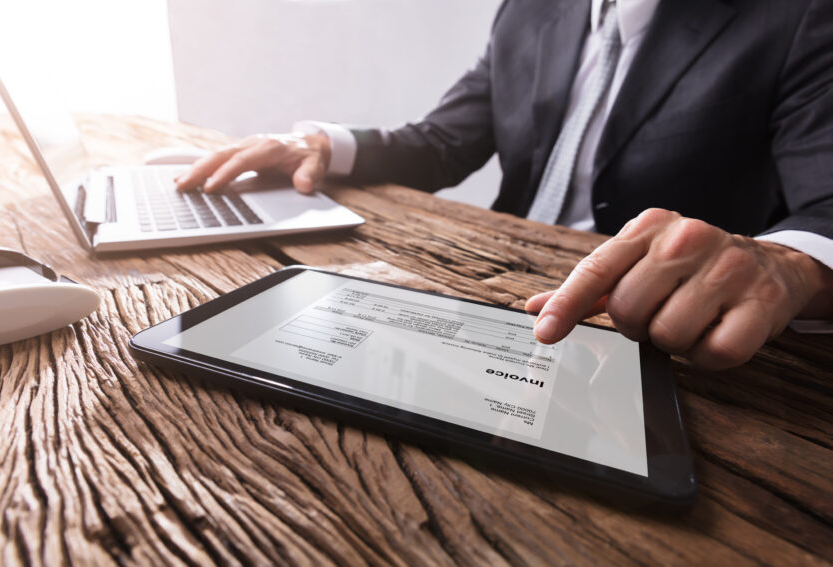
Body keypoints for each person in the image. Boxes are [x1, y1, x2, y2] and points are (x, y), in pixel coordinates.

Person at [176, 0, 833, 370]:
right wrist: (320, 144)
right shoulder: (530, 10)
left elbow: (823, 210)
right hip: (489, 288)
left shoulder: (798, 19)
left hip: (653, 342)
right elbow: (442, 142)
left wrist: (788, 265)